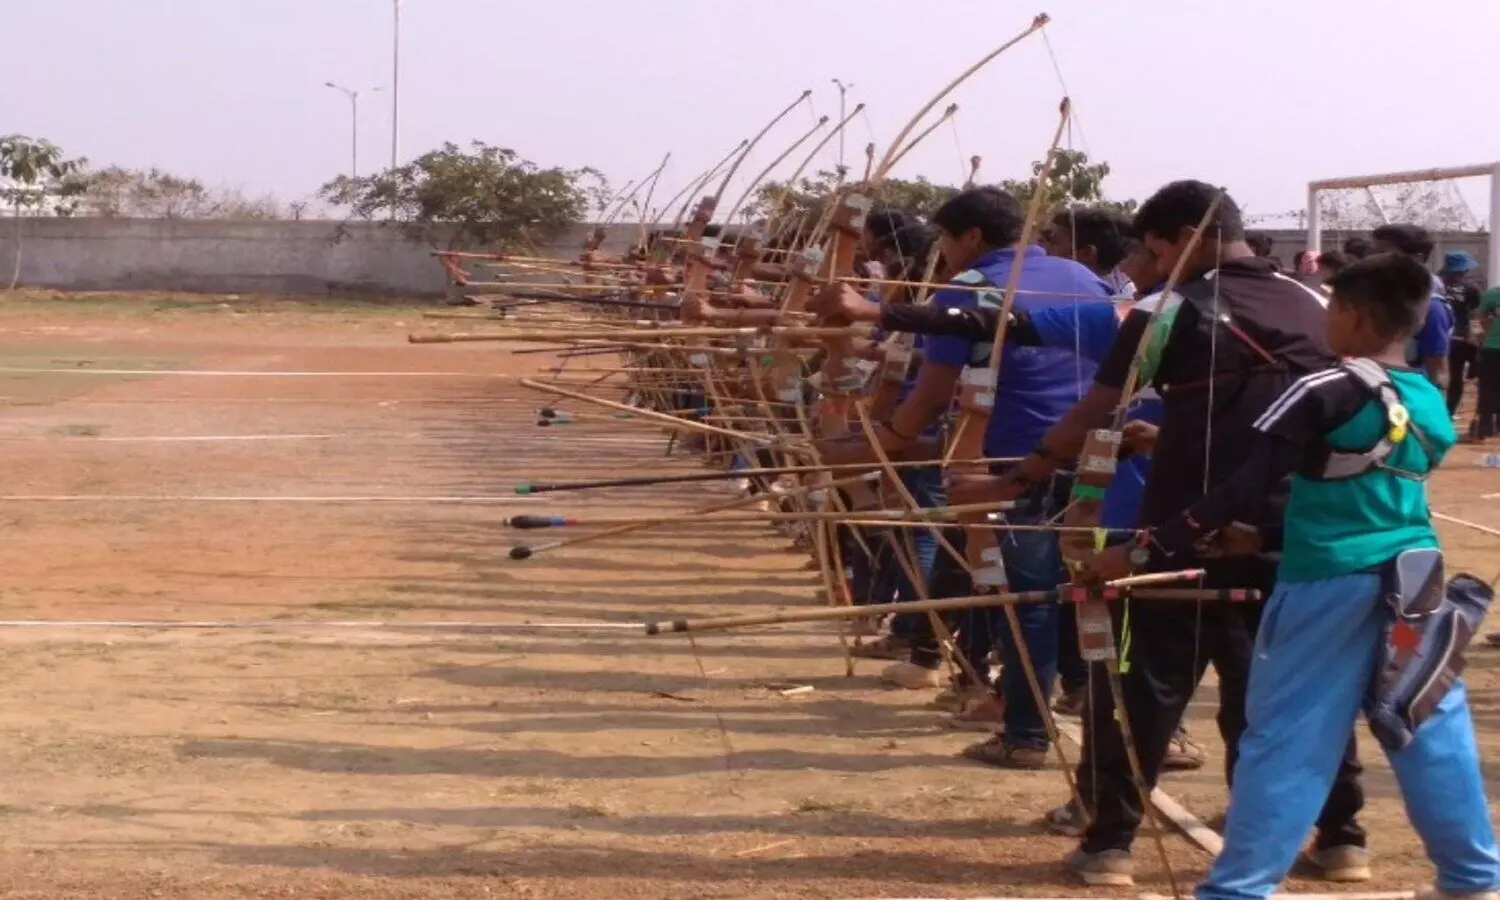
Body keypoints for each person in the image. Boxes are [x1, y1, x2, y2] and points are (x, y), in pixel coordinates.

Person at [949, 181, 1367, 885]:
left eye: (1154, 248)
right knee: (1286, 689)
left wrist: (1016, 480)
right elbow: (1286, 417)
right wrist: (1167, 436)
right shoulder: (1318, 304)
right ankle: (1342, 834)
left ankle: (1110, 843)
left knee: (1141, 688)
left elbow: (1097, 408)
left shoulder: (1167, 309)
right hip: (1291, 536)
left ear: (1182, 240)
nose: (1148, 260)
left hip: (1182, 536)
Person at [1082, 251, 1500, 900]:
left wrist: (1144, 549)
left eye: (1332, 307)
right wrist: (1270, 536)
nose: (1323, 318)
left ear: (1355, 317)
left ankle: (1238, 888)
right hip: (1416, 582)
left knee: (1287, 736)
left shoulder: (1323, 388)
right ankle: (1474, 877)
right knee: (1425, 725)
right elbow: (1374, 496)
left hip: (1326, 588)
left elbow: (1243, 486)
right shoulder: (1426, 400)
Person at [813, 186, 1112, 767]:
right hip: (1100, 452)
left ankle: (1023, 732)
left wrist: (876, 446)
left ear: (971, 237)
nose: (943, 253)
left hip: (1008, 461)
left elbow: (926, 402)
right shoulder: (1085, 277)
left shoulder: (966, 290)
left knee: (1025, 595)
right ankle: (1048, 697)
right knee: (1087, 588)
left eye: (947, 240)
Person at [1371, 224, 1452, 389]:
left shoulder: (1431, 307)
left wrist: (1432, 412)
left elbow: (1438, 372)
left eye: (1383, 254)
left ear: (1418, 258)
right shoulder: (1375, 298)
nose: (1373, 260)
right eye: (1373, 254)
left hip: (1409, 398)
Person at [1440, 250, 1484, 419]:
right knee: (1462, 375)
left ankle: (1443, 412)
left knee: (1445, 375)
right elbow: (1475, 311)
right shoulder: (1470, 288)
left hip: (1442, 336)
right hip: (1461, 338)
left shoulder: (1435, 283)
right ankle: (1453, 412)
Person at [1475, 285, 1500, 441]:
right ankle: (1488, 424)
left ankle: (1486, 425)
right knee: (1488, 385)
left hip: (1489, 347)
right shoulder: (1491, 295)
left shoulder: (1490, 295)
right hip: (1490, 346)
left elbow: (1480, 321)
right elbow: (1480, 321)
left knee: (1487, 386)